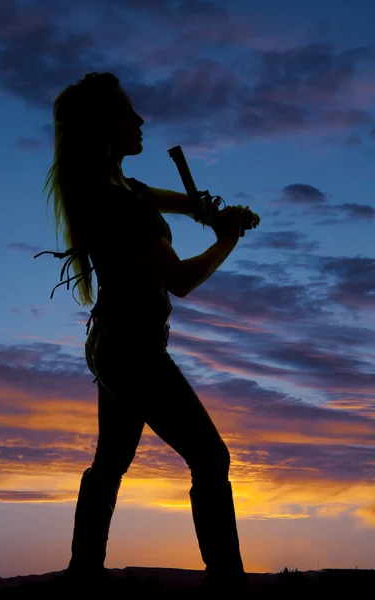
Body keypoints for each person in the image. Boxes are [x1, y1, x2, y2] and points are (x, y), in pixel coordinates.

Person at [39, 71, 258, 594]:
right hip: (133, 353)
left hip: (109, 346)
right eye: (126, 114)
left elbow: (175, 203)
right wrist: (227, 238)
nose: (139, 122)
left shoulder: (113, 188)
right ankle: (227, 584)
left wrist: (203, 209)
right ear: (101, 126)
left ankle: (82, 575)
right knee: (211, 457)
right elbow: (180, 280)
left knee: (109, 464)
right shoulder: (118, 204)